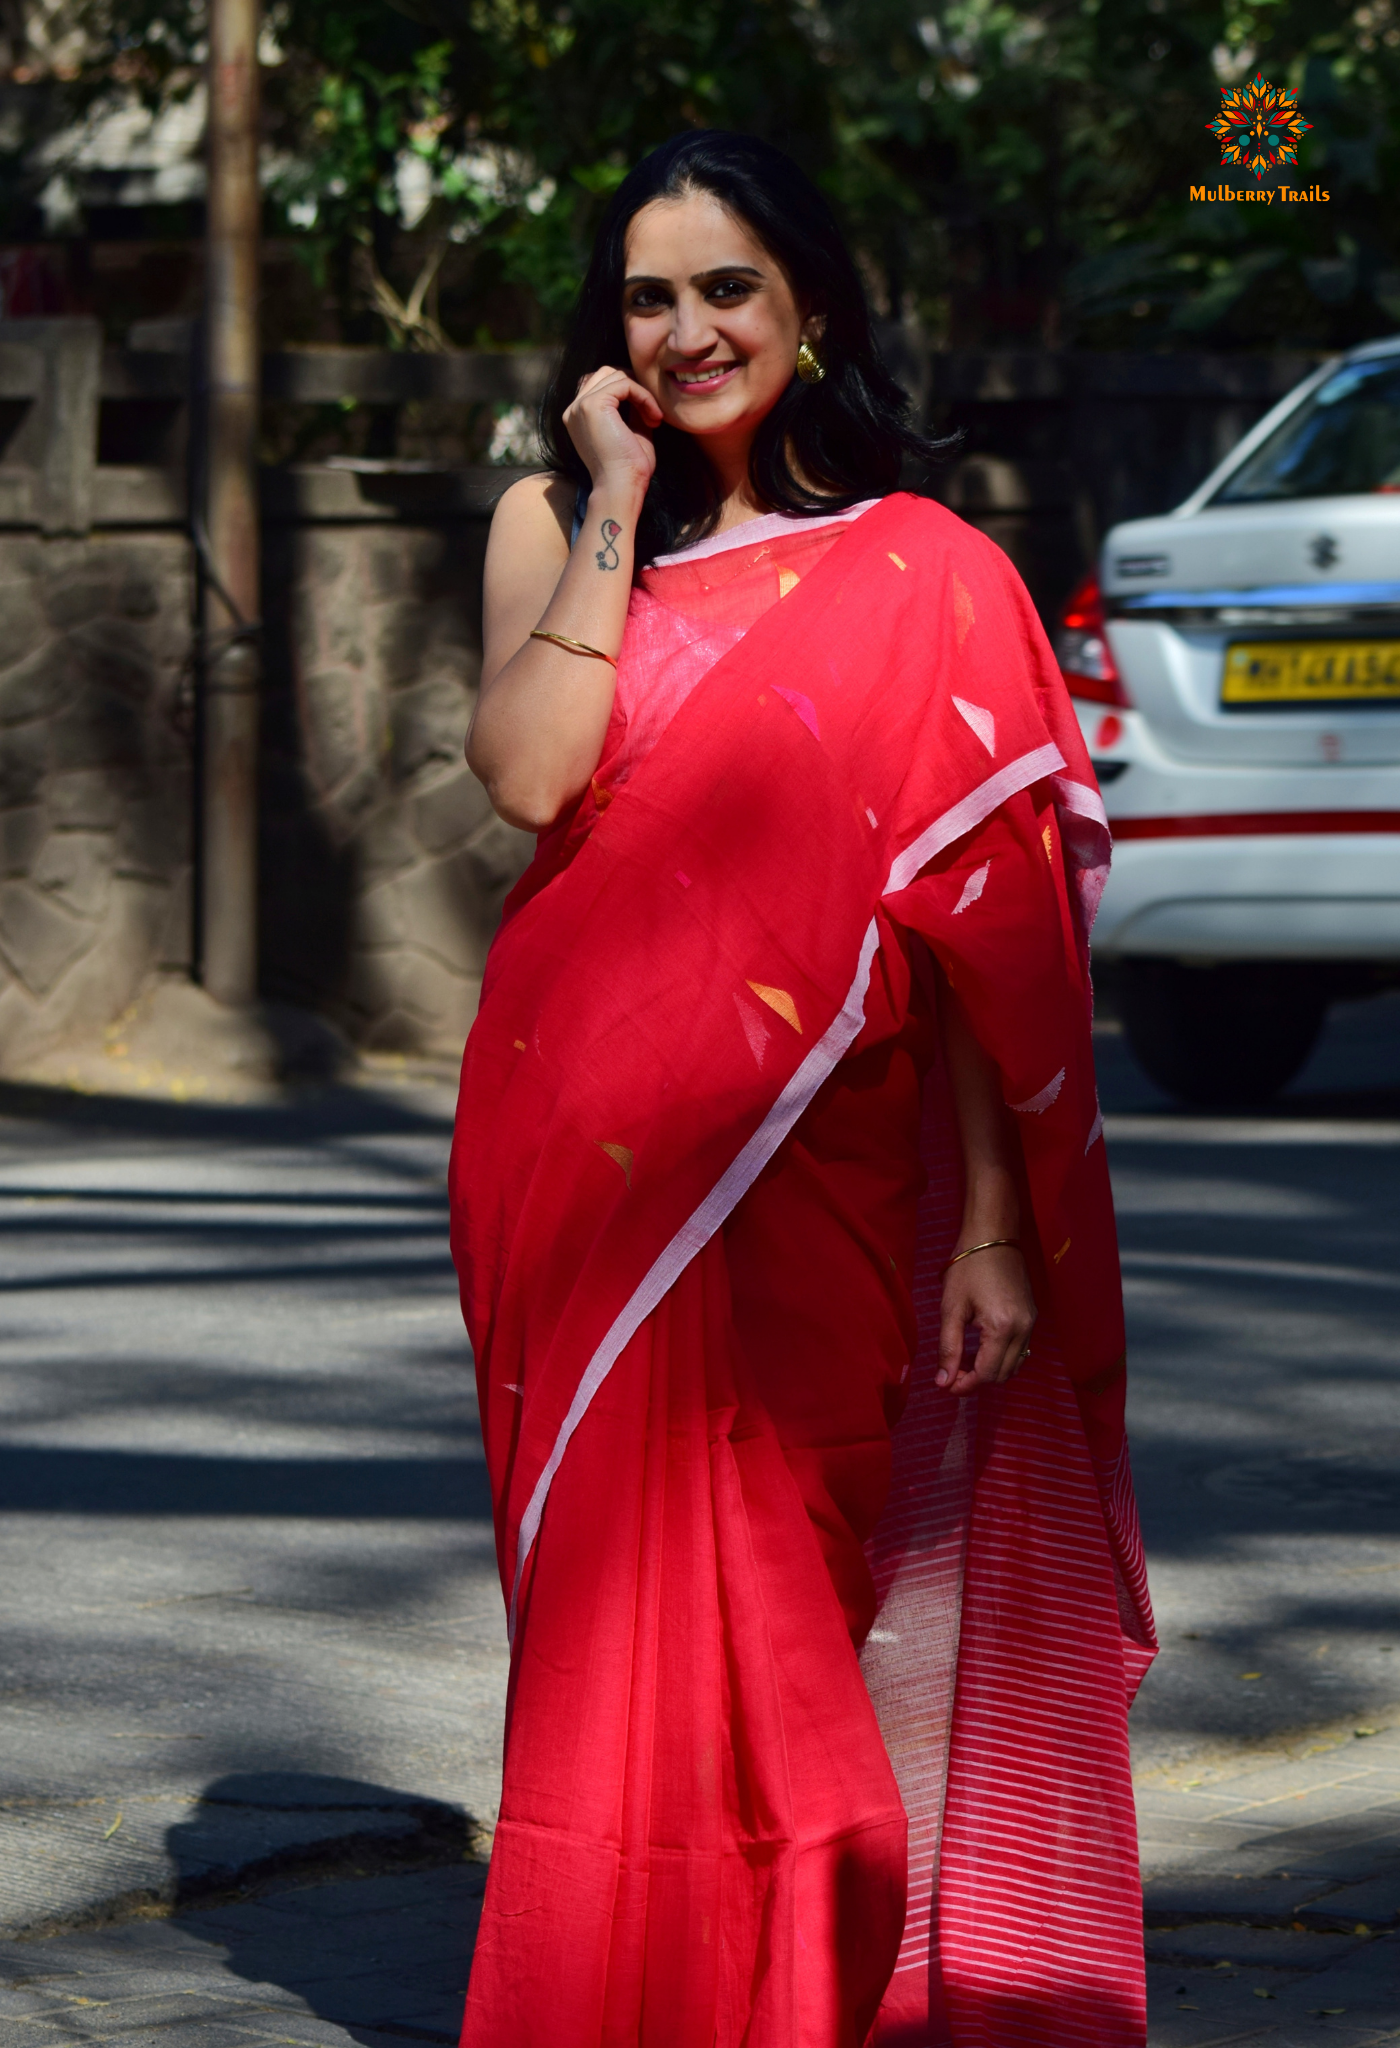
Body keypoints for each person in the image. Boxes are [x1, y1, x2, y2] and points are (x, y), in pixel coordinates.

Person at [449, 128, 1157, 2048]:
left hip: (816, 1167)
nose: (686, 332)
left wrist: (1001, 1225)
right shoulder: (552, 518)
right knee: (613, 1639)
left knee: (787, 1624)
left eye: (728, 289)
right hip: (572, 1160)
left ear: (812, 307)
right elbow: (530, 775)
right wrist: (614, 497)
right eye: (650, 298)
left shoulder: (927, 571)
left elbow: (997, 937)